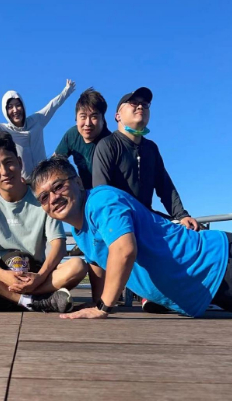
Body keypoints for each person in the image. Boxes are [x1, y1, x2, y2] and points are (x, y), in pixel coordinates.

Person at [31, 156, 232, 319]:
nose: (53, 198)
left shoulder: (100, 201)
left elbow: (124, 250)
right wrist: (97, 301)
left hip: (218, 261)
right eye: (44, 197)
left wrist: (103, 307)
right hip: (206, 286)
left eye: (58, 187)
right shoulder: (79, 231)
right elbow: (97, 264)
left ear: (78, 182)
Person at [0, 133, 87, 312]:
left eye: (9, 162)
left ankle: (2, 299)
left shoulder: (42, 197)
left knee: (78, 266)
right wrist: (1, 274)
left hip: (35, 273)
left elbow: (58, 245)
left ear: (20, 162)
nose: (4, 171)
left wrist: (40, 276)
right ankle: (36, 302)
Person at [92, 86, 199, 312]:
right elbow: (101, 193)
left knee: (189, 234)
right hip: (117, 221)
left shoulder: (151, 148)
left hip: (147, 217)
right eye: (133, 103)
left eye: (145, 104)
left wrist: (182, 215)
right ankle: (146, 293)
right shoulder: (107, 145)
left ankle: (185, 292)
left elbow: (165, 186)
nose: (140, 106)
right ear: (118, 115)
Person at [0, 80, 76, 182]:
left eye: (18, 105)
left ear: (23, 107)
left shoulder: (37, 120)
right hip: (23, 185)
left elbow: (52, 105)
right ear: (5, 111)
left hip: (44, 180)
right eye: (10, 107)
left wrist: (67, 90)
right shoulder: (4, 131)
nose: (15, 110)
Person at [55, 88, 111, 190]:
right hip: (82, 191)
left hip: (107, 192)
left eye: (94, 117)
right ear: (76, 119)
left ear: (103, 119)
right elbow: (55, 163)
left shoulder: (110, 143)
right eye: (83, 116)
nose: (88, 123)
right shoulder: (72, 135)